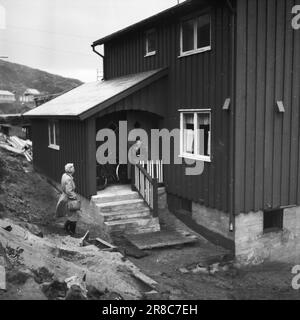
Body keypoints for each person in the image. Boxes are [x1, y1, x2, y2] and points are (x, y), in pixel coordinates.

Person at [55, 163, 80, 235]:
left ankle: (66, 227)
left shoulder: (64, 175)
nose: (74, 169)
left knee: (70, 214)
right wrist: (74, 197)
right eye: (73, 168)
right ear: (70, 169)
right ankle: (72, 231)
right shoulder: (69, 178)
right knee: (74, 216)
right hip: (69, 198)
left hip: (64, 196)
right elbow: (69, 191)